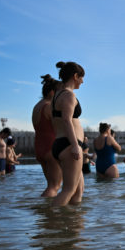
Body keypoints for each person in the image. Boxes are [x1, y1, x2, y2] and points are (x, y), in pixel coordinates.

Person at [50, 61, 86, 206]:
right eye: (82, 78)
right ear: (75, 76)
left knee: (78, 190)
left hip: (63, 143)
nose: (82, 81)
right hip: (69, 145)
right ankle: (51, 220)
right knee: (69, 190)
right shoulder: (68, 96)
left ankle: (72, 223)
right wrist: (75, 145)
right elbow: (66, 120)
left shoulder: (58, 95)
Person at [32, 74, 62, 196]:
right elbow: (61, 126)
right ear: (51, 92)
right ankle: (47, 210)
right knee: (55, 186)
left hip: (40, 147)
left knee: (51, 185)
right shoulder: (49, 106)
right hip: (51, 147)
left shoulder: (36, 107)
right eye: (58, 92)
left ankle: (47, 212)